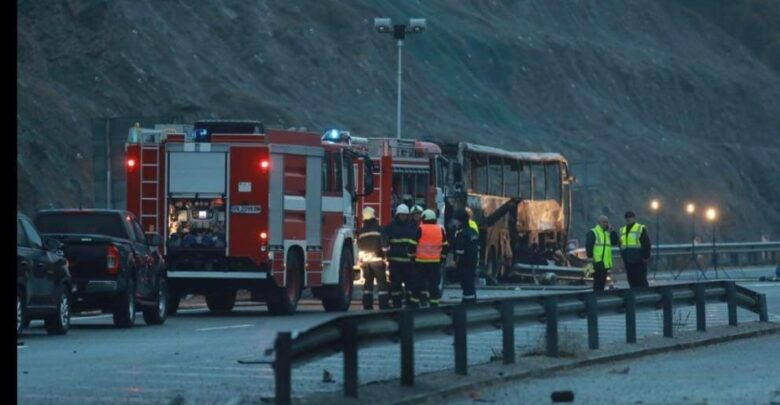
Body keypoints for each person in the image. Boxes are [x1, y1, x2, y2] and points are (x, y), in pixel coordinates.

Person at [382, 204, 418, 308]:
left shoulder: (412, 227)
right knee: (395, 285)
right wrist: (386, 254)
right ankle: (396, 304)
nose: (403, 217)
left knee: (410, 285)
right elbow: (384, 240)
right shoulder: (390, 227)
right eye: (401, 215)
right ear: (397, 215)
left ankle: (410, 304)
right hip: (395, 263)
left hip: (408, 262)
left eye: (405, 215)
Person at [412, 209, 449, 308]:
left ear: (424, 218)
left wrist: (412, 257)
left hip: (421, 262)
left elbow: (413, 245)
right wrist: (442, 258)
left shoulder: (420, 228)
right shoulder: (440, 229)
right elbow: (445, 246)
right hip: (435, 263)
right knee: (433, 285)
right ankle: (434, 304)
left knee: (418, 284)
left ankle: (414, 304)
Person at [357, 207, 389, 310]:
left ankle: (367, 305)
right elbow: (385, 245)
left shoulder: (361, 232)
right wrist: (386, 256)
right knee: (382, 284)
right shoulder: (379, 229)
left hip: (366, 262)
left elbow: (359, 246)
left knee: (368, 284)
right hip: (377, 261)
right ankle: (383, 305)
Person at [452, 208, 479, 304]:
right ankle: (470, 302)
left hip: (464, 265)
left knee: (466, 286)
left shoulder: (461, 234)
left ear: (460, 221)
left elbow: (459, 251)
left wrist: (456, 263)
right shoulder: (473, 232)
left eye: (456, 220)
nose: (454, 222)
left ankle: (467, 304)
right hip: (472, 263)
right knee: (470, 285)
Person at [585, 215, 620, 291]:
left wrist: (613, 232)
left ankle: (599, 297)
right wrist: (591, 257)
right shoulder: (593, 232)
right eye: (604, 222)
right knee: (598, 283)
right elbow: (589, 245)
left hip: (605, 264)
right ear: (599, 223)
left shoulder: (607, 234)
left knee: (601, 283)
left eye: (607, 222)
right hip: (597, 262)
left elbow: (614, 242)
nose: (606, 224)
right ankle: (597, 298)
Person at [619, 211, 651, 288]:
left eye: (630, 217)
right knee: (631, 281)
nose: (628, 219)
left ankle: (644, 296)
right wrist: (623, 255)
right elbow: (620, 244)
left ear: (634, 218)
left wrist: (645, 257)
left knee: (641, 280)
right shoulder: (622, 230)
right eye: (626, 217)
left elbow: (646, 243)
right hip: (628, 260)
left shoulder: (640, 228)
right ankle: (635, 298)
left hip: (639, 260)